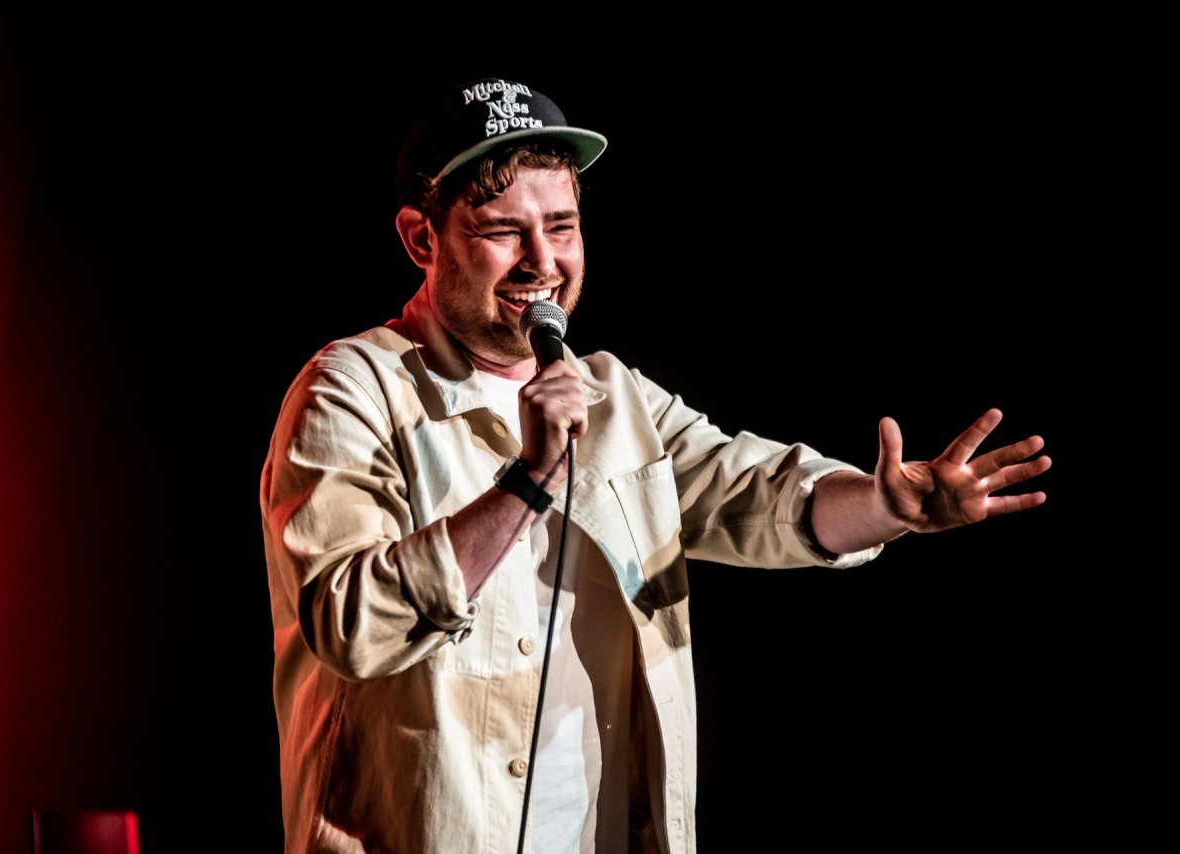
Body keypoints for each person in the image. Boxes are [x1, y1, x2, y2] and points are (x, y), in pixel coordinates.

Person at [259, 77, 1051, 854]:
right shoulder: (351, 390)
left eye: (562, 226)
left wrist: (889, 507)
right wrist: (528, 482)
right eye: (503, 231)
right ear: (421, 238)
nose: (543, 261)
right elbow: (350, 621)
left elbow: (752, 494)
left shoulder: (613, 396)